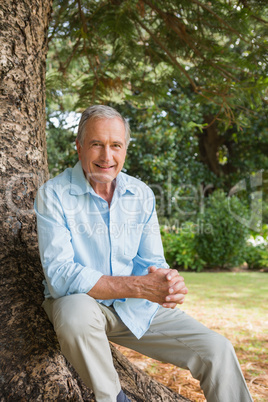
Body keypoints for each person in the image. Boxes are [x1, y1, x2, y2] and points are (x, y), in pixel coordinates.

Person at [35, 105, 253, 402]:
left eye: (115, 146)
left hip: (134, 308)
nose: (106, 157)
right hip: (84, 308)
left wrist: (167, 282)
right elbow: (61, 276)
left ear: (125, 149)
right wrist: (139, 286)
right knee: (74, 312)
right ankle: (114, 399)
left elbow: (152, 263)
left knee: (218, 350)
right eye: (97, 144)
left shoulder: (141, 194)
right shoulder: (54, 194)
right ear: (79, 147)